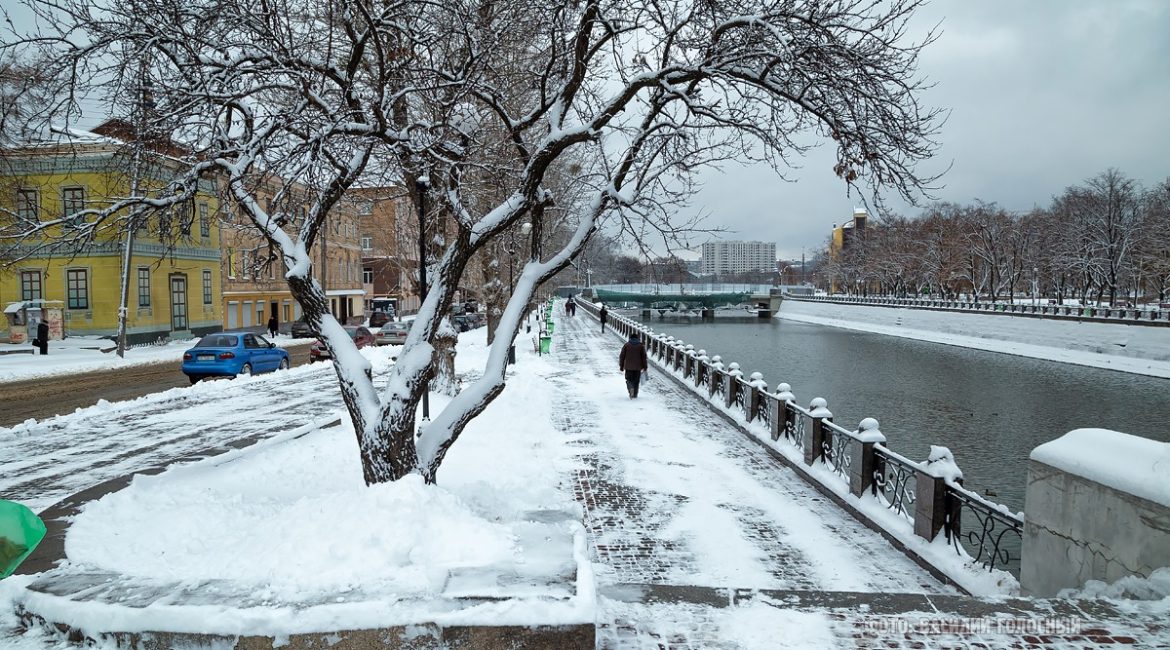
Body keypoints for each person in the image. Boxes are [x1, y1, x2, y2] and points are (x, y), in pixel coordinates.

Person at [619, 332, 648, 399]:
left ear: (630, 338)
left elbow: (622, 356)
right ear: (637, 338)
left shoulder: (627, 345)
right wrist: (645, 366)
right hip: (638, 367)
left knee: (629, 379)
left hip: (628, 367)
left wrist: (621, 366)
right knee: (636, 381)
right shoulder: (641, 346)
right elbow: (644, 357)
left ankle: (630, 389)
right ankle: (635, 394)